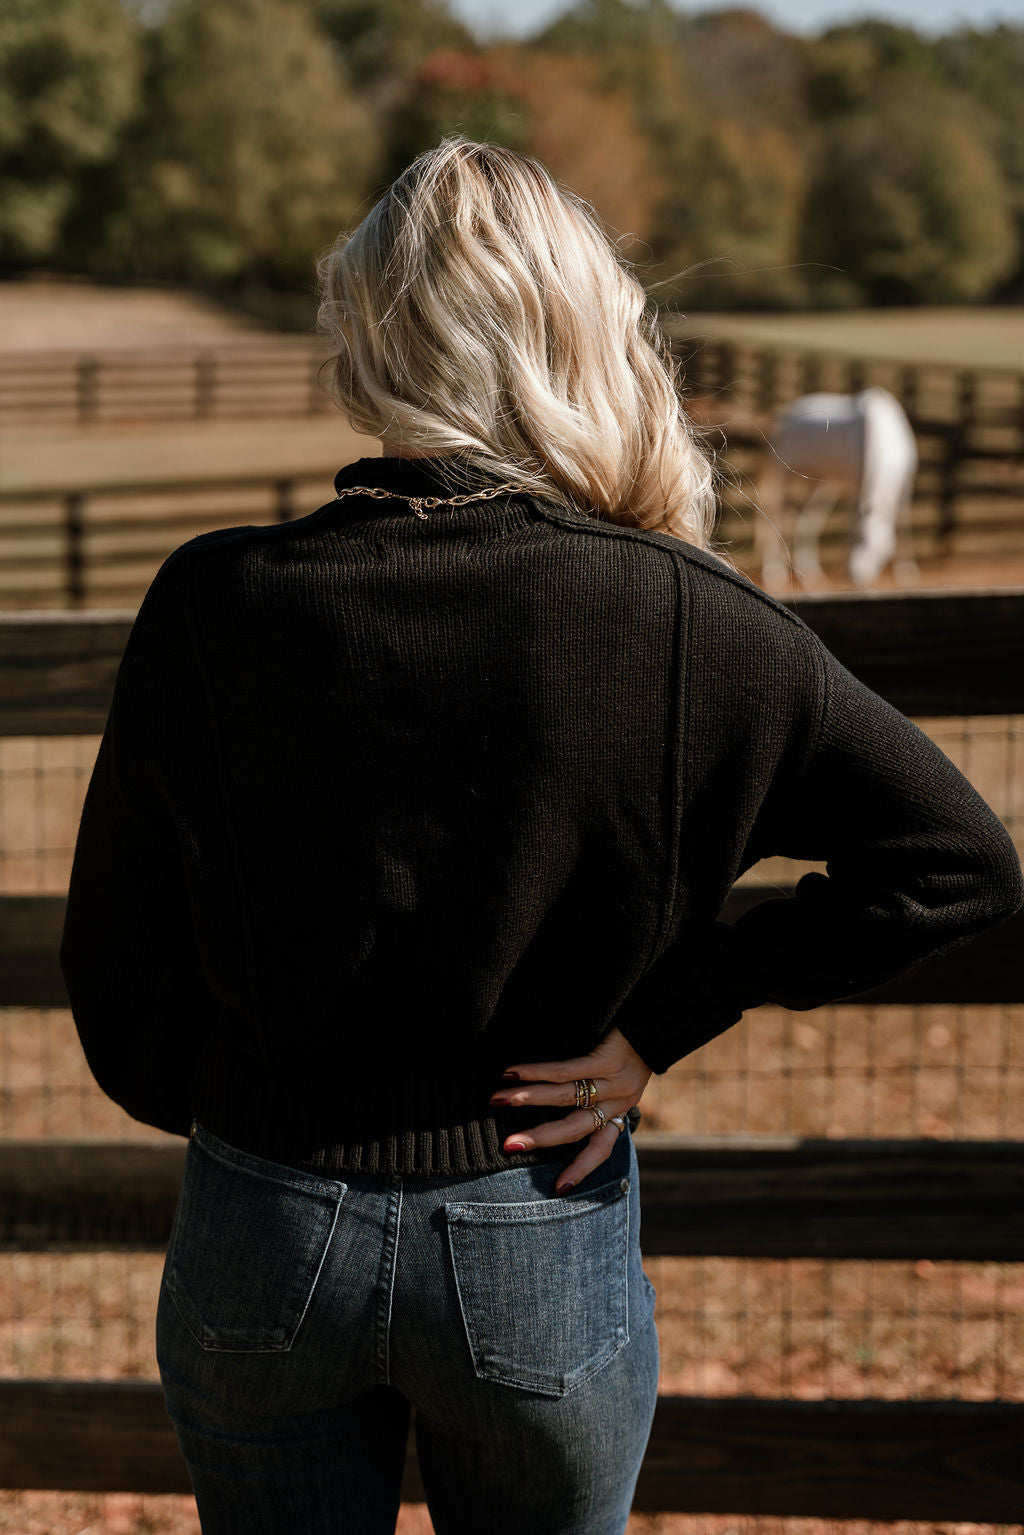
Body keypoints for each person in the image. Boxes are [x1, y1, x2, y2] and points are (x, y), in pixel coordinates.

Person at [59, 137, 1022, 1535]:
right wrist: (668, 1021)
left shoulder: (217, 604)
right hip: (534, 1221)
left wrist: (243, 1118)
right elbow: (958, 861)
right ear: (578, 326)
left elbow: (112, 956)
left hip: (262, 1222)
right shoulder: (684, 615)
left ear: (369, 329)